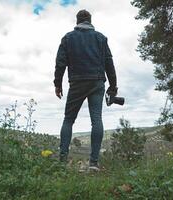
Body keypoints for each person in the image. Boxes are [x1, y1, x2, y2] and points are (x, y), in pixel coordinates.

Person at [53, 9, 117, 171]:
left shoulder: (68, 38)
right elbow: (109, 63)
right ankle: (94, 163)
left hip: (77, 83)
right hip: (97, 82)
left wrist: (58, 84)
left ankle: (62, 161)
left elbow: (60, 63)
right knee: (97, 120)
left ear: (77, 21)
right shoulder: (101, 38)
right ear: (90, 20)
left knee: (68, 119)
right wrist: (113, 86)